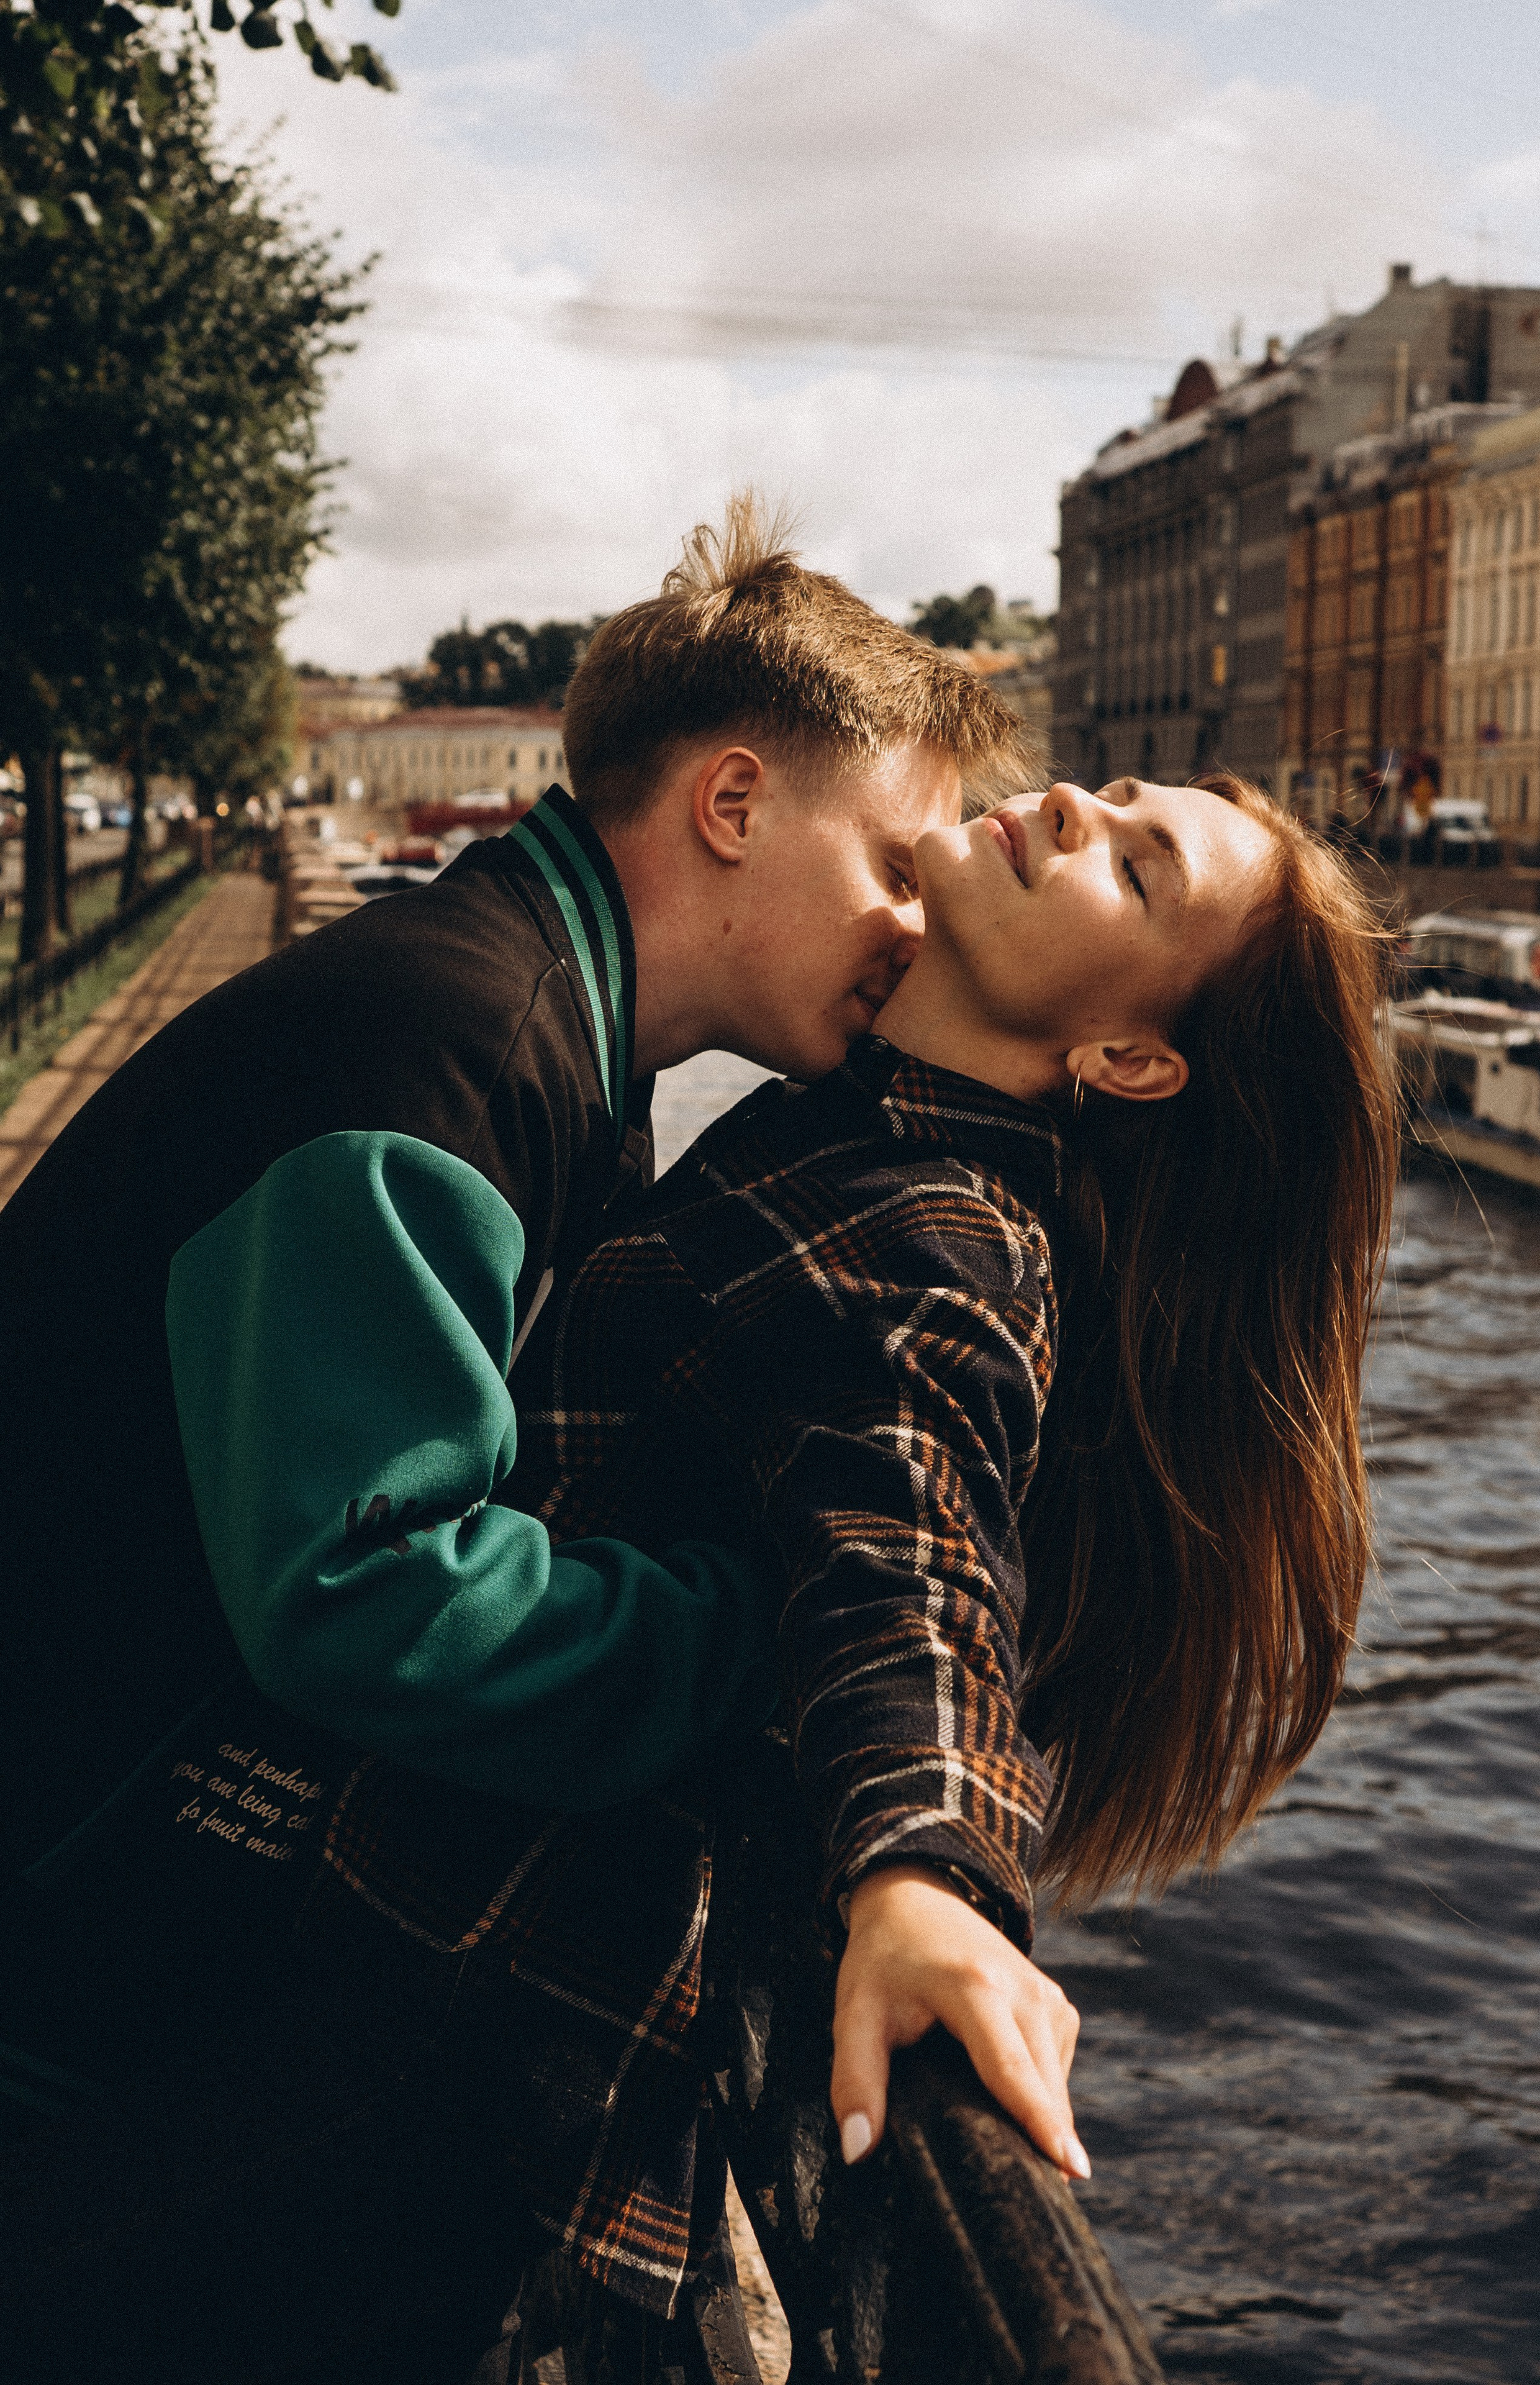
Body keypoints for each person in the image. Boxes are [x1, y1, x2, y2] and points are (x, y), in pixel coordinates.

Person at [0, 499, 1040, 2381]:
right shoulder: (442, 1054)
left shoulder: (522, 1024)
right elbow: (370, 1589)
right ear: (735, 803)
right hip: (61, 1905)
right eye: (896, 860)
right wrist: (759, 1635)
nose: (919, 919)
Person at [314, 767, 1399, 2372]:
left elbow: (913, 1550)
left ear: (1126, 1057)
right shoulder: (868, 1127)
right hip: (446, 1970)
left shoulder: (939, 1240)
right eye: (1111, 792)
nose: (1074, 809)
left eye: (1139, 865)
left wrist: (930, 1872)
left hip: (461, 2033)